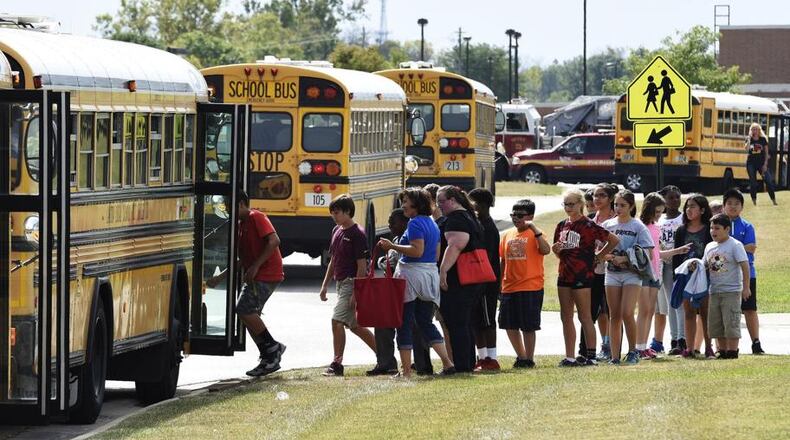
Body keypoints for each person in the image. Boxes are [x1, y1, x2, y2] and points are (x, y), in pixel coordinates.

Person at [378, 188, 456, 378]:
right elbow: (435, 255)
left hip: (412, 276)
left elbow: (416, 251)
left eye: (406, 201)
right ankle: (448, 363)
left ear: (417, 204)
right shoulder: (432, 223)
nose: (403, 205)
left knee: (404, 323)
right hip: (429, 275)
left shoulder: (414, 223)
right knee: (424, 322)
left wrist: (392, 246)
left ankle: (406, 372)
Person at [207, 190, 285, 377]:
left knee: (244, 310)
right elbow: (242, 259)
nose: (227, 210)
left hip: (267, 273)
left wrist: (256, 267)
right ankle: (268, 355)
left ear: (242, 203)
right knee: (247, 315)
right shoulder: (240, 225)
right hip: (256, 274)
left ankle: (272, 348)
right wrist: (220, 278)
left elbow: (274, 241)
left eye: (230, 206)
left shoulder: (256, 217)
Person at [552, 189, 619, 367]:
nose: (568, 207)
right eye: (565, 204)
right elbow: (561, 253)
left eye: (571, 204)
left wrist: (598, 256)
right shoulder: (561, 225)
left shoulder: (588, 225)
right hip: (564, 274)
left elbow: (613, 240)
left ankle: (591, 356)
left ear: (581, 204)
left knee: (585, 316)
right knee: (565, 316)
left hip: (582, 274)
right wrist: (556, 251)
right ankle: (570, 356)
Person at [319, 194, 377, 376]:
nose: (334, 216)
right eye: (332, 213)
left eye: (336, 213)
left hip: (351, 283)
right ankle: (385, 357)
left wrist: (356, 292)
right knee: (355, 326)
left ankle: (337, 364)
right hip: (340, 282)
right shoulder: (337, 231)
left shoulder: (357, 234)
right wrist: (324, 285)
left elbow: (362, 266)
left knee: (336, 321)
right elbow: (333, 259)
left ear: (347, 212)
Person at [437, 186, 487, 372]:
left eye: (442, 201)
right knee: (464, 322)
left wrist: (443, 271)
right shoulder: (470, 217)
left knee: (457, 322)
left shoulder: (456, 219)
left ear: (452, 200)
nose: (439, 205)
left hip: (459, 279)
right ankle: (466, 362)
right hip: (472, 279)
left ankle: (461, 364)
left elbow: (456, 245)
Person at [601, 190, 654, 365]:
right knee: (614, 315)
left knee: (627, 313)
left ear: (631, 206)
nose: (618, 208)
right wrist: (608, 256)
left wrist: (626, 258)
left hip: (632, 275)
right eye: (616, 204)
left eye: (623, 205)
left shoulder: (638, 226)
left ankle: (633, 351)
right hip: (612, 274)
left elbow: (649, 253)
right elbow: (599, 250)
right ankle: (614, 356)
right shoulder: (608, 225)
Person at [499, 199, 552, 368]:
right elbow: (503, 260)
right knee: (509, 324)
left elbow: (545, 250)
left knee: (528, 326)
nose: (515, 218)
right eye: (513, 214)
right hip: (509, 286)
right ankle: (520, 356)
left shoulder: (537, 234)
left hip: (530, 286)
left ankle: (529, 358)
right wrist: (499, 283)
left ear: (530, 216)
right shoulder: (507, 234)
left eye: (520, 215)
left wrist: (534, 229)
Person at [701, 214, 750, 359]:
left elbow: (745, 266)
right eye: (711, 228)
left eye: (717, 228)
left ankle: (732, 351)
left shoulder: (735, 245)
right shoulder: (709, 246)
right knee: (716, 322)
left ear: (727, 229)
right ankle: (721, 350)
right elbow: (704, 265)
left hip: (732, 291)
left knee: (731, 321)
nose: (713, 231)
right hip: (714, 291)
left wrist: (746, 287)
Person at [723, 188, 765, 354]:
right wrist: (738, 248)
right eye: (729, 203)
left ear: (742, 207)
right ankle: (726, 346)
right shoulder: (718, 223)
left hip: (746, 274)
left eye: (737, 204)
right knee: (725, 310)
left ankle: (756, 342)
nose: (733, 206)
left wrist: (729, 248)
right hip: (723, 275)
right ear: (724, 205)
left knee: (749, 309)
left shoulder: (747, 226)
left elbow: (751, 248)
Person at [367, 209, 409, 376]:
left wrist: (382, 261)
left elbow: (391, 262)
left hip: (404, 288)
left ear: (405, 223)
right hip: (390, 290)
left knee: (410, 327)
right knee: (382, 324)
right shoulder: (395, 240)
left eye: (394, 223)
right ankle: (386, 363)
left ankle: (419, 363)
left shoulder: (407, 240)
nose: (390, 226)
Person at [672, 194, 714, 359]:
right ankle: (689, 348)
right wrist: (677, 276)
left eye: (693, 206)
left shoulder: (708, 229)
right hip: (685, 276)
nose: (689, 210)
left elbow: (712, 253)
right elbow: (676, 257)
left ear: (702, 210)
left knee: (705, 312)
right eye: (687, 206)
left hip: (704, 276)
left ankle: (708, 348)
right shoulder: (681, 230)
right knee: (688, 313)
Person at [468, 188, 502, 371]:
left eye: (472, 203)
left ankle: (492, 357)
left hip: (486, 282)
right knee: (476, 321)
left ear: (482, 205)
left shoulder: (487, 227)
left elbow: (486, 257)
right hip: (476, 281)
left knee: (488, 320)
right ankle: (482, 357)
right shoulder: (477, 224)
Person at [586, 183, 618, 361]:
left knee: (611, 310)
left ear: (611, 199)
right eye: (595, 196)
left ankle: (613, 346)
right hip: (594, 272)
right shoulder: (590, 220)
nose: (597, 199)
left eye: (602, 196)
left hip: (614, 271)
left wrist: (602, 256)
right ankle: (603, 344)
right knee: (597, 310)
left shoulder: (617, 219)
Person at [654, 185, 686, 355]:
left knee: (679, 301)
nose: (675, 201)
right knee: (670, 302)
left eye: (677, 197)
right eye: (671, 198)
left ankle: (683, 338)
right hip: (664, 264)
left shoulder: (683, 218)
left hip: (679, 264)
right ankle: (674, 339)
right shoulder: (659, 220)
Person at [635, 193, 666, 359]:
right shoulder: (639, 226)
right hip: (643, 272)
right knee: (643, 309)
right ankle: (638, 346)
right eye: (657, 212)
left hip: (656, 272)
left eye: (661, 212)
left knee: (649, 311)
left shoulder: (656, 226)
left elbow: (657, 252)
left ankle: (644, 346)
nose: (659, 215)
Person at [744, 123, 778, 206]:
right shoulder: (749, 139)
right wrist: (748, 140)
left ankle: (773, 200)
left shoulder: (763, 140)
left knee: (768, 181)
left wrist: (765, 164)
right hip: (751, 163)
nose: (754, 131)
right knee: (753, 182)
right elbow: (746, 149)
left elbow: (766, 153)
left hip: (761, 163)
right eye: (753, 129)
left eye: (756, 129)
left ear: (759, 130)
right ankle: (754, 201)